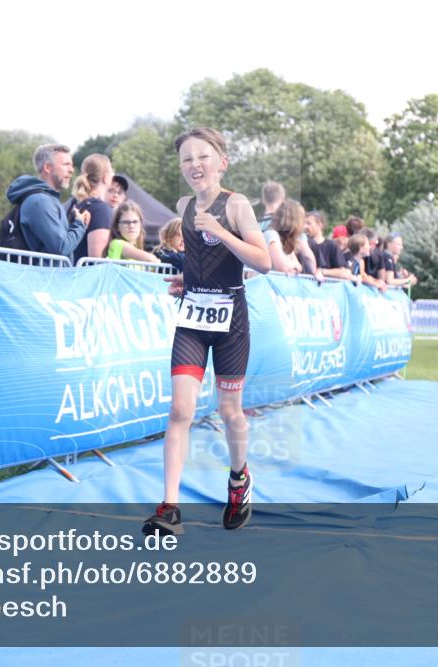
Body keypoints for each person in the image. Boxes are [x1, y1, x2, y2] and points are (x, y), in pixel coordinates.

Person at [142, 127, 271, 536]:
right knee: (180, 410)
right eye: (186, 159)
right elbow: (200, 260)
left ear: (222, 162)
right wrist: (189, 281)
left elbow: (264, 261)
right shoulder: (183, 205)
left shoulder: (236, 205)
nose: (195, 165)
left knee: (230, 411)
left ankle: (238, 479)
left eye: (203, 157)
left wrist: (220, 231)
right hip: (193, 318)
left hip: (231, 322)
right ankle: (170, 507)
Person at [0, 143, 90, 257]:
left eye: (71, 165)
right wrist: (79, 225)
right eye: (66, 164)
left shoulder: (47, 199)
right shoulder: (40, 202)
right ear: (47, 167)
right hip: (42, 274)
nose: (71, 170)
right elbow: (61, 247)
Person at [257, 181, 317, 275]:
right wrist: (315, 272)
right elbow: (307, 256)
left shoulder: (255, 225)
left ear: (263, 199)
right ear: (283, 199)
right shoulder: (277, 231)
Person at [64, 153, 114, 264]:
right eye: (112, 171)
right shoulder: (101, 210)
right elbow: (96, 259)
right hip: (85, 279)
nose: (113, 174)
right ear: (106, 178)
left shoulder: (74, 204)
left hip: (70, 275)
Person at [304, 211, 357, 284]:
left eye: (308, 223)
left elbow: (344, 272)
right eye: (304, 223)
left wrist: (323, 271)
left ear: (319, 225)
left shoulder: (331, 246)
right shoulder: (303, 244)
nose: (305, 227)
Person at [263, 199, 305, 274]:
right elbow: (282, 267)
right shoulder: (271, 234)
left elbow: (299, 267)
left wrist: (292, 266)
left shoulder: (287, 240)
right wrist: (293, 266)